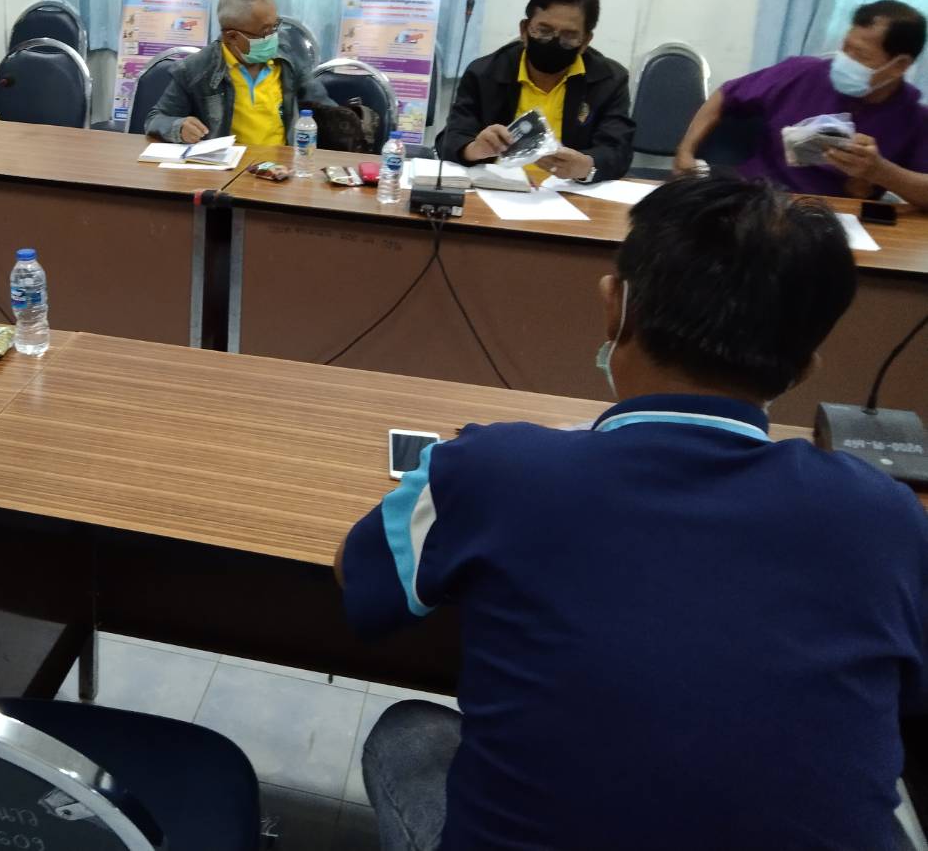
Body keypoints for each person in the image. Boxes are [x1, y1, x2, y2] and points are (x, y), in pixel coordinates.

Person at [340, 174, 927, 851]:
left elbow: (361, 588)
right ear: (806, 366)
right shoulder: (888, 518)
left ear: (615, 308)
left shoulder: (489, 469)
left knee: (410, 735)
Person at [674, 0, 928, 207]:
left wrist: (880, 171)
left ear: (900, 65)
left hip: (832, 217)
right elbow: (725, 95)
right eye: (846, 48)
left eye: (860, 55)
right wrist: (685, 151)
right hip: (755, 198)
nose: (845, 60)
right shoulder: (801, 73)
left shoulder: (912, 116)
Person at [438, 0, 635, 183]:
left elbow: (618, 151)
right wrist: (473, 149)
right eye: (543, 31)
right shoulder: (484, 73)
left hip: (569, 191)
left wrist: (586, 165)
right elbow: (450, 138)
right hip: (497, 188)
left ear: (585, 41)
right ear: (524, 30)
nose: (554, 42)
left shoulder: (609, 80)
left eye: (569, 36)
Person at [144, 0, 351, 148]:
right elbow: (155, 119)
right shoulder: (196, 70)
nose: (274, 36)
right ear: (232, 36)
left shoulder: (287, 57)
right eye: (265, 31)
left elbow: (326, 110)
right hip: (226, 172)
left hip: (282, 168)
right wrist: (178, 127)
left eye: (275, 26)